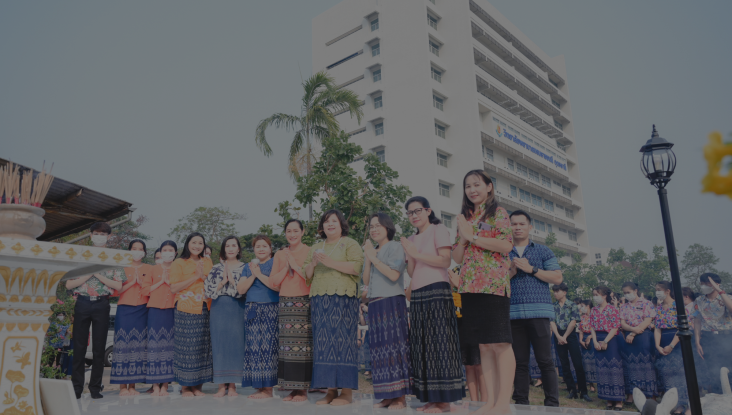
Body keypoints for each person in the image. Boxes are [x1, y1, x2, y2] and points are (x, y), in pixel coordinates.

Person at [451, 171, 517, 415]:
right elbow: (457, 257)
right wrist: (464, 237)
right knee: (484, 346)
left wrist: (473, 236)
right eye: (468, 186)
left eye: (477, 184)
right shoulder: (466, 217)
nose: (472, 189)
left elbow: (506, 245)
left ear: (489, 187)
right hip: (469, 286)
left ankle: (503, 404)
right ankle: (490, 402)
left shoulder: (498, 213)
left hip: (493, 285)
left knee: (500, 343)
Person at [403, 196, 464, 413]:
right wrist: (410, 254)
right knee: (422, 345)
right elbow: (412, 272)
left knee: (440, 343)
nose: (414, 216)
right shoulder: (411, 238)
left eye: (417, 211)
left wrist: (416, 253)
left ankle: (444, 400)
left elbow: (445, 260)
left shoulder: (438, 229)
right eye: (410, 213)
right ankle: (430, 398)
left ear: (428, 211)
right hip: (418, 292)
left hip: (437, 289)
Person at [502, 209, 562, 407]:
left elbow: (557, 277)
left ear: (530, 227)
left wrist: (532, 269)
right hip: (513, 314)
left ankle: (552, 404)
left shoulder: (543, 250)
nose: (517, 227)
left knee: (545, 360)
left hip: (539, 312)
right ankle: (521, 403)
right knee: (519, 362)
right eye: (513, 224)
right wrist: (511, 272)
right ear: (508, 227)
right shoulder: (502, 252)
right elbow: (495, 282)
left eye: (522, 224)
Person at [304, 209, 364, 406]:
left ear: (341, 225)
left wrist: (330, 263)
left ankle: (346, 392)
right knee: (324, 344)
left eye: (334, 221)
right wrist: (313, 263)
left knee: (344, 342)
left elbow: (357, 267)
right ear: (322, 226)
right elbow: (307, 275)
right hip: (320, 299)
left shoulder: (350, 243)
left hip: (344, 298)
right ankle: (330, 390)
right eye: (326, 221)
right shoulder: (315, 247)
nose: (330, 224)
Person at [66, 222, 125, 399]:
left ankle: (95, 388)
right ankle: (77, 388)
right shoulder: (80, 255)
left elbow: (118, 286)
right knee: (79, 346)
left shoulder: (115, 257)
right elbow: (69, 284)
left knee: (99, 347)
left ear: (109, 236)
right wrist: (88, 274)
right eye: (96, 234)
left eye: (103, 234)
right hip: (82, 302)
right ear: (91, 235)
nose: (99, 237)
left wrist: (97, 273)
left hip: (102, 303)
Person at [362, 213, 411, 410]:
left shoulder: (395, 247)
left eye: (378, 225)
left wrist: (373, 258)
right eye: (372, 226)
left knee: (395, 349)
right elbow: (366, 280)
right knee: (379, 351)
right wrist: (368, 257)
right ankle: (386, 395)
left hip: (392, 302)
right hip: (374, 303)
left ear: (388, 227)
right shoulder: (371, 251)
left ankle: (400, 397)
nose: (374, 229)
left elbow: (393, 275)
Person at [268, 219, 312, 402]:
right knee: (287, 347)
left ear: (302, 232)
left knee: (303, 347)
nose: (292, 234)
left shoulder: (310, 251)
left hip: (304, 300)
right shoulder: (280, 254)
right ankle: (292, 388)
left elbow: (311, 278)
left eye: (295, 231)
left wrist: (295, 265)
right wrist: (286, 267)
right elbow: (273, 281)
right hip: (285, 302)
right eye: (289, 231)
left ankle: (303, 390)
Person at [170, 232, 213, 397]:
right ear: (188, 244)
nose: (197, 246)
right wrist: (196, 277)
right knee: (186, 348)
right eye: (194, 242)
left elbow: (211, 283)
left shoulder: (207, 261)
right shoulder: (179, 262)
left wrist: (204, 277)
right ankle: (185, 387)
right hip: (185, 308)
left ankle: (197, 386)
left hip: (204, 307)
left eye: (200, 243)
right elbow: (174, 288)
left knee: (201, 347)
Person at [237, 235, 280, 399]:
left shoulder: (275, 263)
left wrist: (259, 274)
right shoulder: (248, 267)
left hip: (270, 307)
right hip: (252, 308)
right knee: (254, 347)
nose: (261, 249)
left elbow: (276, 286)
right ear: (253, 249)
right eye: (257, 246)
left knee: (269, 347)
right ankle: (259, 387)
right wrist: (254, 274)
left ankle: (268, 388)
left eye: (264, 246)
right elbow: (241, 289)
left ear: (270, 248)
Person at [204, 236, 246, 397]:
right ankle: (221, 385)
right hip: (219, 307)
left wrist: (233, 281)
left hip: (237, 307)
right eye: (227, 245)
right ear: (223, 249)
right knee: (219, 345)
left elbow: (245, 291)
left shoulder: (245, 268)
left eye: (234, 245)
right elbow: (208, 291)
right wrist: (222, 282)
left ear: (238, 249)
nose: (230, 248)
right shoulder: (216, 268)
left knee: (236, 345)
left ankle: (233, 385)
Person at [110, 239, 152, 395]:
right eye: (134, 248)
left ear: (144, 252)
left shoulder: (149, 268)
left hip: (143, 309)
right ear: (129, 250)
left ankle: (133, 386)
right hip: (124, 309)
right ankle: (122, 386)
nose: (137, 251)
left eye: (140, 249)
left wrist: (141, 284)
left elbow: (152, 290)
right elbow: (116, 291)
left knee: (138, 346)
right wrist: (133, 282)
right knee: (122, 346)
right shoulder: (121, 268)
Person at [142, 240, 177, 396]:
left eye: (170, 250)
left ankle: (165, 385)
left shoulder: (178, 269)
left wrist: (169, 283)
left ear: (175, 253)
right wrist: (161, 282)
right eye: (165, 250)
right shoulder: (153, 269)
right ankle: (155, 384)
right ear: (160, 253)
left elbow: (182, 289)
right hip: (155, 311)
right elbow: (145, 290)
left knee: (169, 348)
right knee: (154, 347)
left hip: (173, 310)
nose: (167, 253)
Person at [448, 266, 487, 403]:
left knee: (479, 364)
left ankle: (485, 402)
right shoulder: (454, 270)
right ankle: (474, 402)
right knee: (468, 364)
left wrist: (460, 284)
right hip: (459, 321)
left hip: (477, 318)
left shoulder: (479, 268)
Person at [692, 272, 732, 394]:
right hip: (708, 337)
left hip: (725, 336)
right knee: (713, 370)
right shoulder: (699, 300)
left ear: (716, 284)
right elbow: (697, 321)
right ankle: (718, 396)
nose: (704, 286)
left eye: (707, 284)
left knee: (728, 369)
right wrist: (697, 341)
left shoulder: (726, 297)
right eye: (702, 283)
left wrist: (719, 290)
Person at [551, 283, 591, 401]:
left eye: (557, 291)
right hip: (558, 335)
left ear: (564, 292)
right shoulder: (553, 306)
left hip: (570, 335)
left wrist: (565, 336)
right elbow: (552, 322)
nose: (555, 293)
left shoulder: (572, 305)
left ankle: (583, 392)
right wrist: (559, 336)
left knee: (577, 363)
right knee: (564, 364)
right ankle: (571, 390)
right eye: (554, 291)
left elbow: (573, 322)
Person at [654, 281, 689, 415]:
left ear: (667, 291)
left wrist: (671, 345)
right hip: (663, 341)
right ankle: (670, 404)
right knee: (666, 374)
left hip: (677, 341)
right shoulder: (659, 308)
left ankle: (681, 405)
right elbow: (657, 328)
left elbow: (682, 327)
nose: (657, 292)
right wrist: (657, 345)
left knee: (679, 374)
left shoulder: (678, 306)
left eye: (659, 289)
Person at [618, 281, 657, 402]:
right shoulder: (624, 306)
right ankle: (632, 394)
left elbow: (648, 320)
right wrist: (631, 330)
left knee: (646, 364)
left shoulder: (646, 303)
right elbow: (622, 323)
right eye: (624, 293)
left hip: (643, 335)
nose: (626, 295)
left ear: (635, 291)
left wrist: (634, 333)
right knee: (630, 365)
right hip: (629, 336)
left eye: (628, 292)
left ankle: (650, 394)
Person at [590, 286, 624, 411]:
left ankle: (618, 400)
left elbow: (615, 327)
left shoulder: (612, 309)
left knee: (614, 368)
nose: (595, 297)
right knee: (602, 369)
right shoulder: (593, 310)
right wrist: (594, 341)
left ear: (604, 296)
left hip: (610, 339)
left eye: (597, 294)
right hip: (597, 338)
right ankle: (608, 399)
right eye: (594, 295)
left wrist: (605, 341)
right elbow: (592, 327)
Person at [578, 299, 597, 393]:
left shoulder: (595, 316)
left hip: (594, 339)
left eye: (582, 306)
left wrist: (590, 337)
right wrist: (580, 340)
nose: (581, 308)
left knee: (595, 362)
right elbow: (581, 330)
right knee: (586, 363)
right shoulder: (582, 317)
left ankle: (598, 382)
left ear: (588, 306)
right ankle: (591, 384)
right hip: (584, 340)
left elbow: (597, 329)